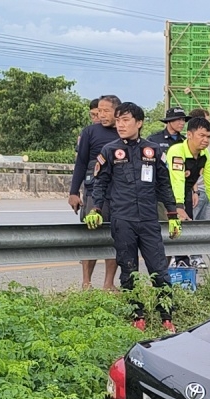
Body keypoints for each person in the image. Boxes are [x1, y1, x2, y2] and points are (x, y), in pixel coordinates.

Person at [83, 101, 180, 333]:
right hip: (122, 220)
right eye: (118, 120)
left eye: (125, 120)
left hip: (148, 219)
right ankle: (137, 315)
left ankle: (167, 317)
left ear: (139, 123)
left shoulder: (154, 151)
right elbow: (100, 183)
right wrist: (95, 209)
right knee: (128, 270)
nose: (120, 125)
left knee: (159, 269)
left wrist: (173, 214)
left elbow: (165, 185)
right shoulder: (109, 151)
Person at [70, 94, 122, 290]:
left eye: (106, 111)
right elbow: (81, 163)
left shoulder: (123, 131)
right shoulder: (90, 132)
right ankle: (86, 282)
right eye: (99, 111)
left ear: (117, 111)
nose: (101, 115)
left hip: (118, 193)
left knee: (115, 236)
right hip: (93, 192)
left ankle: (109, 283)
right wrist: (74, 192)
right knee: (91, 235)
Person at [166, 116, 210, 224]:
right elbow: (177, 181)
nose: (206, 140)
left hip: (184, 194)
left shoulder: (205, 153)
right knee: (172, 232)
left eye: (208, 137)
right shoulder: (177, 151)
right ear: (189, 135)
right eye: (201, 135)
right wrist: (179, 206)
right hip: (164, 196)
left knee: (186, 229)